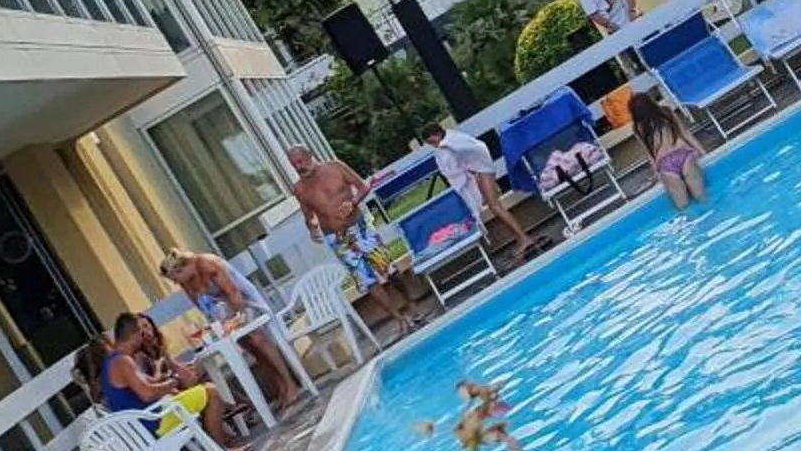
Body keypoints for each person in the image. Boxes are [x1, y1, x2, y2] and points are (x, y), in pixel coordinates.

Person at [289, 144, 424, 329]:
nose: (298, 167)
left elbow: (363, 187)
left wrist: (353, 203)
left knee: (388, 270)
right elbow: (308, 215)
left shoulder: (335, 167)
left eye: (300, 161)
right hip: (336, 239)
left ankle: (411, 304)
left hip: (360, 229)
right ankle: (399, 318)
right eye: (293, 164)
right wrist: (311, 227)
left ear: (310, 155)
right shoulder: (299, 189)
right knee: (366, 280)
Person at [161, 251, 301, 412]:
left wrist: (238, 319)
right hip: (226, 311)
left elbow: (233, 292)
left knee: (257, 339)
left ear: (181, 269)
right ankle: (280, 386)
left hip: (245, 302)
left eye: (174, 278)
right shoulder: (186, 282)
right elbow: (202, 306)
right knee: (249, 347)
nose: (175, 282)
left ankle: (290, 384)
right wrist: (218, 325)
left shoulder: (207, 263)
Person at [84, 311, 242, 450]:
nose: (143, 338)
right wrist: (172, 382)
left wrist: (168, 379)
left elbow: (150, 383)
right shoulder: (123, 361)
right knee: (211, 392)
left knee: (202, 389)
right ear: (134, 334)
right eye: (141, 334)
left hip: (146, 421)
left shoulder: (111, 363)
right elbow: (147, 394)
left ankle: (221, 449)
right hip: (154, 423)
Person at [425, 118, 533, 263]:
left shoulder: (452, 141)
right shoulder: (451, 140)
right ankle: (520, 238)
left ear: (438, 134)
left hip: (483, 170)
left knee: (496, 207)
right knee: (494, 208)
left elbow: (477, 148)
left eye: (433, 141)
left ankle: (524, 238)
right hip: (479, 171)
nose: (435, 145)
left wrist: (477, 169)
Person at [630, 86, 710, 209]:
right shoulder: (666, 112)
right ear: (651, 103)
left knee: (683, 207)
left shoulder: (637, 128)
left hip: (665, 165)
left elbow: (649, 154)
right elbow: (685, 133)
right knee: (702, 198)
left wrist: (657, 174)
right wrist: (702, 151)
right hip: (683, 155)